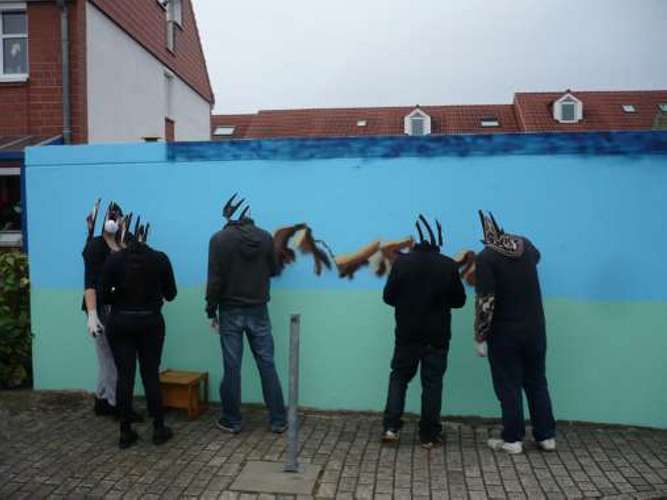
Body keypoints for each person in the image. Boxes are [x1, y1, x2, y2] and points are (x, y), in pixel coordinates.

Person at [474, 211, 556, 455]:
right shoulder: (526, 246)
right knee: (537, 382)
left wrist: (480, 336)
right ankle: (546, 436)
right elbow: (537, 257)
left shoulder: (486, 258)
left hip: (505, 333)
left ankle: (513, 439)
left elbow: (485, 302)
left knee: (508, 385)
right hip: (535, 329)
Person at [382, 215, 466, 448]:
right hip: (437, 337)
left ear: (416, 241)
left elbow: (388, 297)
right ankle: (429, 435)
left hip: (407, 335)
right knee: (432, 384)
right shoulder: (448, 265)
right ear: (438, 239)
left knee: (399, 378)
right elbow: (459, 301)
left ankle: (391, 427)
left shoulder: (402, 263)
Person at [205, 194, 287, 434]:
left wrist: (211, 309)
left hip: (230, 310)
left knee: (232, 367)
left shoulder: (219, 240)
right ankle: (278, 420)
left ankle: (232, 420)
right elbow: (273, 269)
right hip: (259, 308)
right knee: (267, 363)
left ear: (229, 215)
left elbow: (215, 279)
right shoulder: (265, 237)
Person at [101, 221, 177, 449]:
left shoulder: (114, 260)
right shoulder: (160, 258)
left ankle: (125, 431)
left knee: (125, 375)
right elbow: (171, 294)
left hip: (121, 322)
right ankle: (159, 428)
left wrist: (119, 299)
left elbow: (104, 294)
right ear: (145, 239)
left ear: (125, 239)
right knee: (150, 373)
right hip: (151, 322)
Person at [81, 201, 126, 416]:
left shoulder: (122, 243)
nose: (114, 220)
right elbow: (89, 282)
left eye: (118, 216)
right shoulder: (95, 246)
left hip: (120, 309)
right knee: (110, 357)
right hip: (100, 309)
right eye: (112, 216)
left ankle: (102, 401)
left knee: (108, 357)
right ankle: (117, 405)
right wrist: (91, 315)